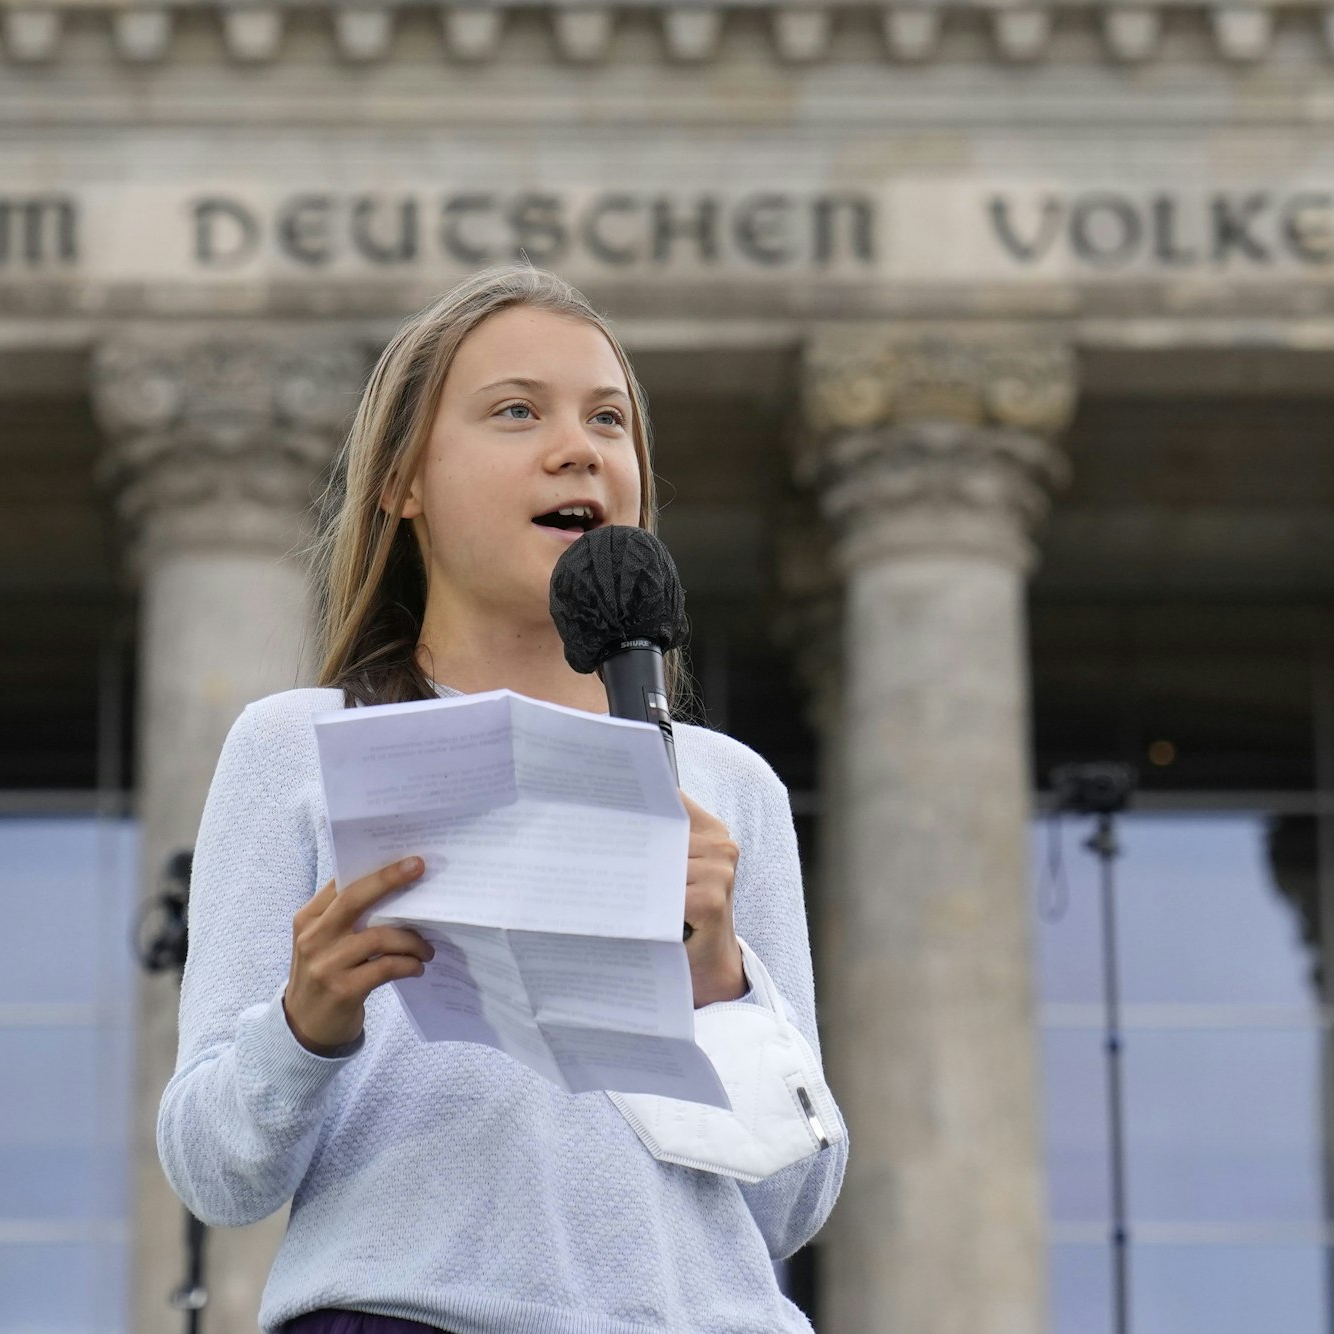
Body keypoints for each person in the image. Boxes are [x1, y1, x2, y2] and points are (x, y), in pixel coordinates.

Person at [157, 262, 848, 1334]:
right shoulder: (301, 745)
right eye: (517, 411)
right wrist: (306, 1022)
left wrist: (717, 980)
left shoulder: (727, 786)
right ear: (403, 481)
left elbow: (792, 1205)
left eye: (609, 419)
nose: (579, 446)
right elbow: (214, 1171)